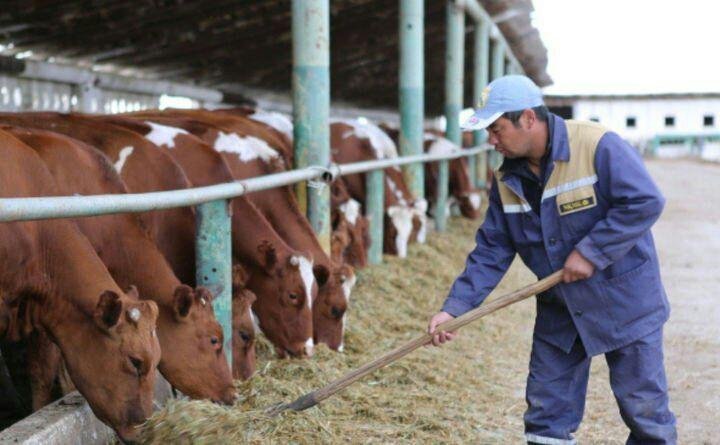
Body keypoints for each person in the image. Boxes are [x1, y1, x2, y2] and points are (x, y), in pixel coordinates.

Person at [427, 75, 676, 444]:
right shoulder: (506, 180)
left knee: (643, 407)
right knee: (547, 409)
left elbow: (645, 201)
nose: (490, 142)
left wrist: (591, 252)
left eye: (496, 129)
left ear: (528, 118)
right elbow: (493, 248)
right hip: (562, 306)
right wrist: (456, 308)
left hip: (624, 299)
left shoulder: (596, 145)